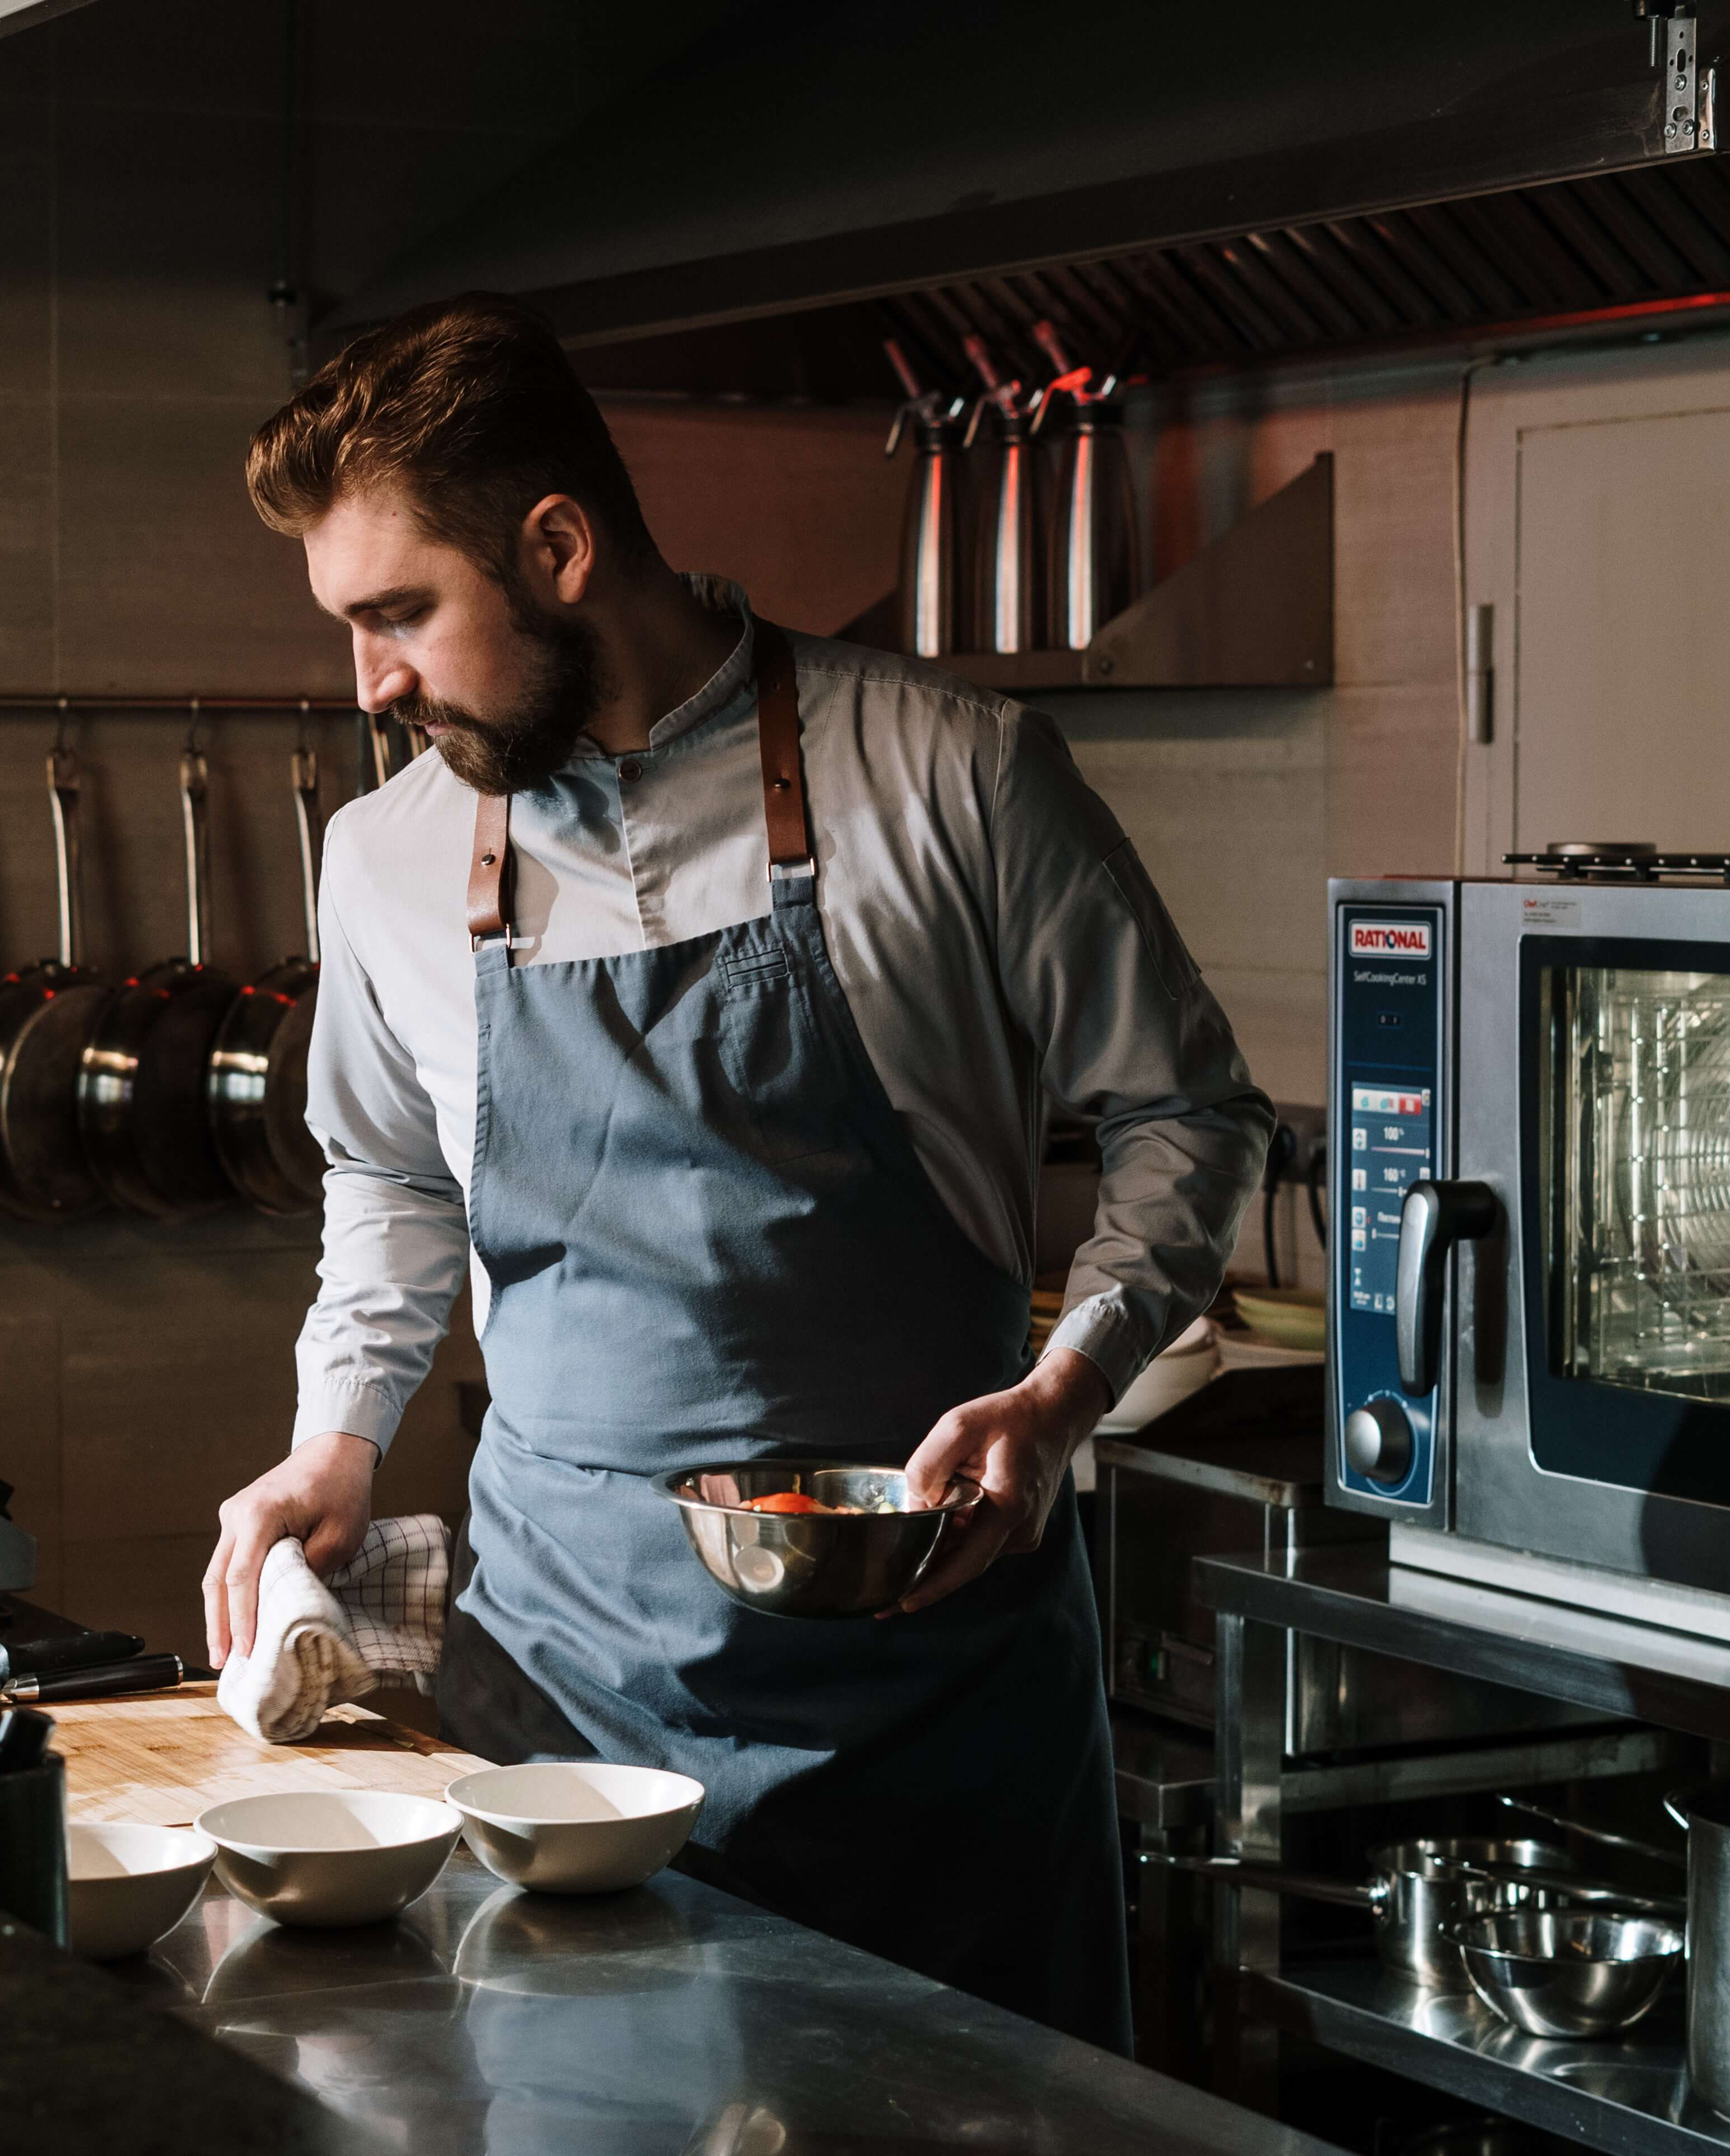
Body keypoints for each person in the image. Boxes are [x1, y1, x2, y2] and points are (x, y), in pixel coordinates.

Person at [202, 292, 1272, 2051]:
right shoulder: (383, 857)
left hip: (927, 1692)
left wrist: (1066, 1390)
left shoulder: (949, 772)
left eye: (399, 615)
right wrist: (339, 1434)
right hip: (560, 1688)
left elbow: (1184, 1112)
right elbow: (391, 1176)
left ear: (554, 548)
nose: (368, 684)